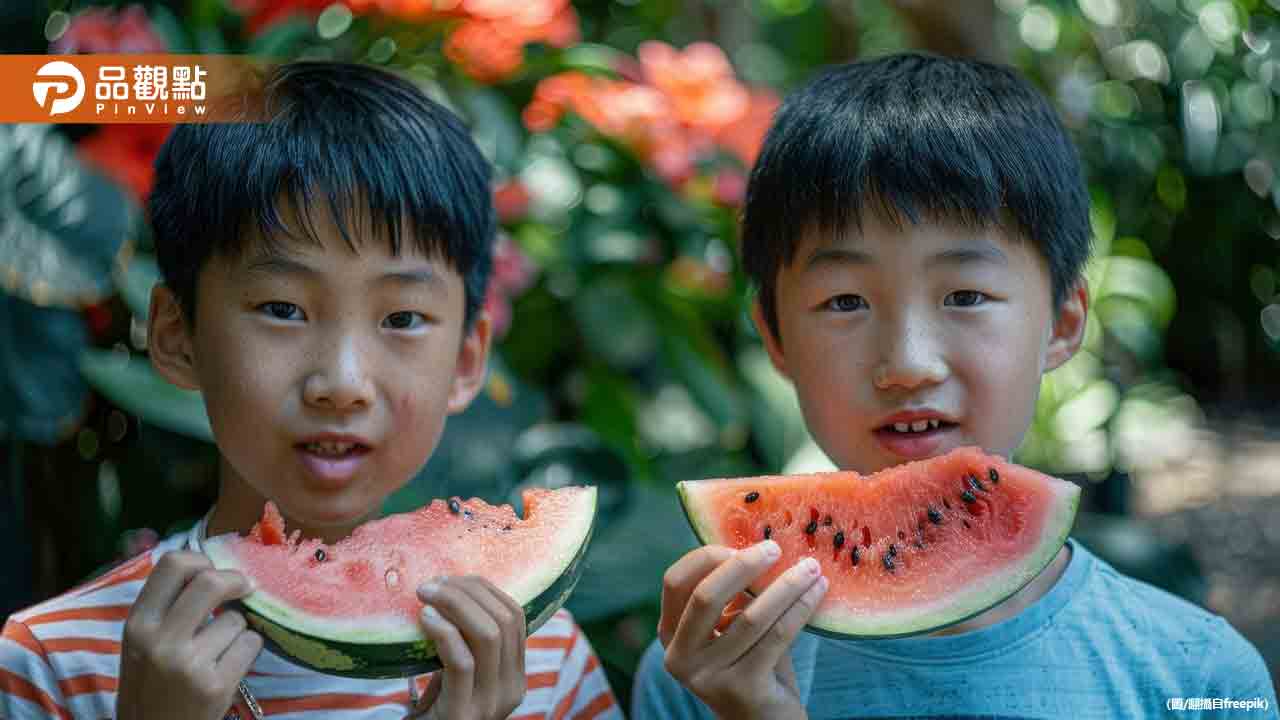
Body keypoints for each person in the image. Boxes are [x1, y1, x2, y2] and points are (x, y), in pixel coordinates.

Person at [632, 52, 1278, 720]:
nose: (909, 363)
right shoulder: (700, 669)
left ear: (1061, 324)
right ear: (774, 336)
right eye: (846, 302)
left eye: (966, 294)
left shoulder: (1199, 674)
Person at [0, 61, 620, 720]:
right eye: (282, 309)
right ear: (178, 336)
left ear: (467, 361)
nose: (342, 384)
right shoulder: (48, 664)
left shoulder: (541, 662)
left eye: (403, 319)